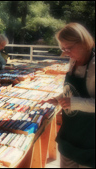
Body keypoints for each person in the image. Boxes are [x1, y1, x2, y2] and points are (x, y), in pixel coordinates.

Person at [40, 23, 95, 168]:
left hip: (89, 141)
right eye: (63, 49)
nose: (66, 53)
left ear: (84, 42)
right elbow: (71, 90)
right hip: (69, 135)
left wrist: (73, 103)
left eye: (69, 48)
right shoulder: (73, 60)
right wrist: (58, 99)